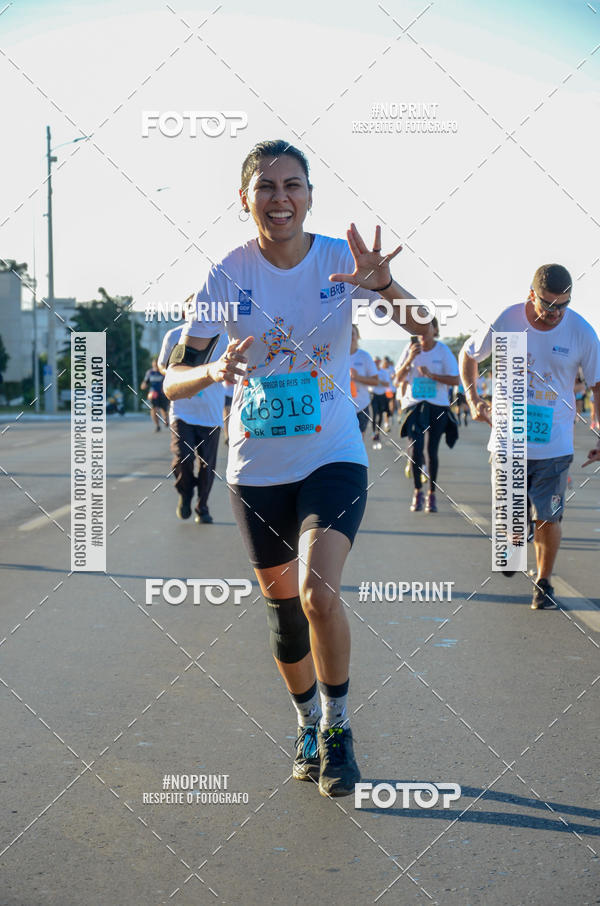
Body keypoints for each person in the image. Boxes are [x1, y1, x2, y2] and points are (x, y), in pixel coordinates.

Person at [164, 139, 426, 797]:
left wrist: (384, 283)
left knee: (318, 593)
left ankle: (338, 727)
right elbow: (170, 382)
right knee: (284, 615)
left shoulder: (341, 260)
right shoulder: (228, 274)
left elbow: (423, 333)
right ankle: (306, 723)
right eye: (267, 187)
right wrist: (214, 370)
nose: (280, 198)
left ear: (309, 195)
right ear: (246, 198)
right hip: (256, 467)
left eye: (293, 185)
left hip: (332, 452)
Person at [460, 263, 600, 610]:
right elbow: (468, 354)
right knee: (512, 520)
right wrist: (473, 398)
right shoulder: (506, 319)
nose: (555, 313)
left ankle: (544, 581)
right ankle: (514, 538)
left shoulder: (581, 332)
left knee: (549, 516)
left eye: (562, 305)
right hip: (508, 441)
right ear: (531, 294)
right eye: (548, 304)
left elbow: (597, 384)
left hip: (554, 448)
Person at [158, 324, 227, 524]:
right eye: (191, 307)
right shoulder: (174, 335)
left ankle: (202, 506)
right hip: (182, 410)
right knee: (182, 458)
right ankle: (186, 492)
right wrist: (184, 373)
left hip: (211, 412)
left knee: (208, 465)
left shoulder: (224, 335)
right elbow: (163, 366)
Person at [394, 317, 459, 512]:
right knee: (415, 450)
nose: (421, 332)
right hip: (414, 405)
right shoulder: (410, 349)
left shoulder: (443, 351)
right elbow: (397, 379)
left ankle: (432, 493)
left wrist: (432, 375)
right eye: (417, 329)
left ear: (435, 330)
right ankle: (417, 492)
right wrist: (409, 360)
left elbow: (456, 379)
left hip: (437, 405)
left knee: (432, 451)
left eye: (426, 328)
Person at [349, 325, 378, 436]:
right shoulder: (336, 356)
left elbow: (375, 381)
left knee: (358, 444)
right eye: (347, 333)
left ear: (358, 336)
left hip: (361, 406)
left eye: (352, 334)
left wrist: (357, 378)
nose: (350, 337)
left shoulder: (364, 356)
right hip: (342, 408)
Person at [141, 359, 168, 432]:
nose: (155, 365)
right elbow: (145, 382)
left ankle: (166, 419)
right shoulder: (150, 372)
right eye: (154, 363)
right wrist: (143, 385)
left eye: (156, 363)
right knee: (153, 409)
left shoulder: (163, 372)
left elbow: (167, 381)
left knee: (164, 409)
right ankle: (157, 425)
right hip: (153, 393)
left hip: (162, 393)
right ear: (152, 364)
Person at [369, 356, 390, 449]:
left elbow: (387, 384)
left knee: (381, 414)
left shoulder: (383, 372)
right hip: (374, 395)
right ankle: (373, 432)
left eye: (377, 361)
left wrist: (378, 382)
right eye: (374, 362)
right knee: (374, 414)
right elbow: (369, 383)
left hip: (382, 395)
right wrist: (375, 382)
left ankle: (378, 431)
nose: (376, 363)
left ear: (380, 362)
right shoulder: (370, 372)